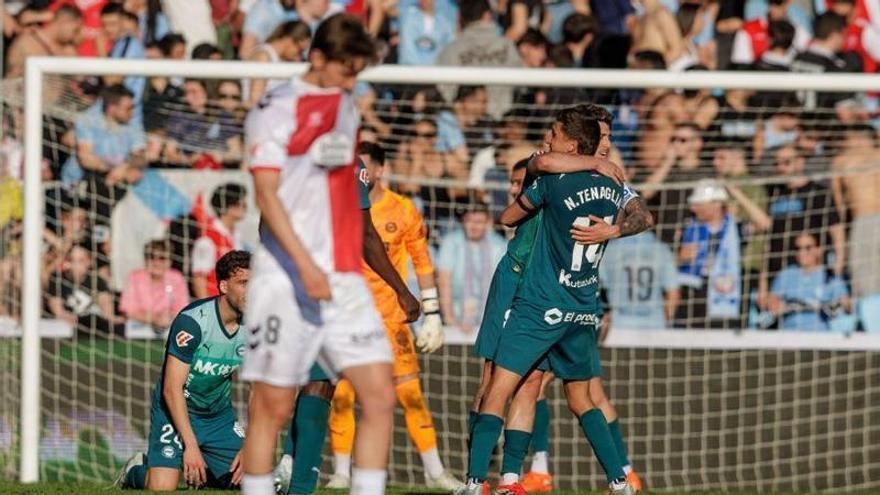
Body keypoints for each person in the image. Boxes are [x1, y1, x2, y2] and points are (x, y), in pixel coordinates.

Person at [239, 15, 415, 495]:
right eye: (347, 70)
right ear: (317, 58)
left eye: (358, 72)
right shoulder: (275, 108)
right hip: (286, 277)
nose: (352, 82)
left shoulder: (346, 104)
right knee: (272, 406)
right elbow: (267, 196)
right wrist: (305, 264)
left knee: (379, 395)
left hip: (342, 278)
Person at [458, 106, 634, 495]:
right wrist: (615, 227)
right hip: (576, 300)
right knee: (543, 387)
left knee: (502, 384)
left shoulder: (556, 180)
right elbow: (642, 215)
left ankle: (477, 481)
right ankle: (610, 479)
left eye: (607, 138)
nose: (606, 146)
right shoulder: (609, 182)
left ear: (572, 141)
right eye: (601, 138)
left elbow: (509, 213)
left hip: (536, 294)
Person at [275, 142, 457, 493]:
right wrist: (408, 294)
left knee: (404, 395)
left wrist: (431, 310)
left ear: (381, 170)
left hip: (385, 317)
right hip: (345, 305)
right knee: (339, 393)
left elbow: (421, 260)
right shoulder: (343, 168)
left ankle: (434, 471)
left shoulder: (402, 209)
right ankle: (337, 472)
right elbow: (365, 236)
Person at [116, 250, 251, 490]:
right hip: (176, 410)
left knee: (254, 480)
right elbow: (171, 388)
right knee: (161, 487)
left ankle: (208, 473)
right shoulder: (193, 322)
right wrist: (190, 445)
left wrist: (251, 445)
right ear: (223, 286)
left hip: (218, 416)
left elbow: (259, 391)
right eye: (243, 283)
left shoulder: (255, 325)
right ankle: (134, 472)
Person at [676, 180, 770, 329]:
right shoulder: (688, 228)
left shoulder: (735, 228)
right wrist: (680, 258)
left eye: (699, 204)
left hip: (725, 293)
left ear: (716, 204)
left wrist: (736, 194)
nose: (693, 209)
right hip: (694, 294)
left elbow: (764, 223)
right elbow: (670, 262)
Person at [436, 202, 506, 333]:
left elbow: (503, 285)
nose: (474, 226)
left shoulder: (499, 245)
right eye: (469, 221)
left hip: (492, 316)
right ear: (463, 221)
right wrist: (451, 321)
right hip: (456, 314)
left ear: (488, 223)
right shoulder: (451, 242)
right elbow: (444, 281)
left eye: (479, 221)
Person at [831, 124, 880, 300]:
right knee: (864, 278)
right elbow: (836, 204)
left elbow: (837, 206)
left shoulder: (843, 161)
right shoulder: (842, 161)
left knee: (865, 277)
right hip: (862, 221)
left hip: (864, 222)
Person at [767, 231, 851, 331]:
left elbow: (848, 305)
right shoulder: (786, 274)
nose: (802, 252)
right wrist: (777, 305)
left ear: (819, 250)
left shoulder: (829, 276)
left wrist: (836, 306)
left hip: (821, 335)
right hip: (790, 334)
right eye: (798, 248)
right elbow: (771, 302)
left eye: (808, 248)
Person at [600, 230, 680, 330]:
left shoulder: (610, 248)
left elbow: (598, 284)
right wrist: (666, 320)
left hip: (619, 322)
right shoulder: (661, 249)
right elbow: (673, 293)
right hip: (654, 323)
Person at [45, 243, 120, 336]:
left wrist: (110, 317)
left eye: (81, 260)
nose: (76, 265)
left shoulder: (97, 281)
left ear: (89, 262)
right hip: (69, 327)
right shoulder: (59, 280)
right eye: (73, 260)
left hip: (95, 326)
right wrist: (65, 316)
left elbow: (107, 308)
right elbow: (58, 310)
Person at [120, 240, 190, 331]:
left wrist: (169, 316)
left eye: (162, 258)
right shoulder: (135, 277)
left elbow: (184, 310)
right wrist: (154, 318)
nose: (156, 262)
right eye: (152, 257)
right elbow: (127, 310)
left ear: (170, 261)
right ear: (145, 260)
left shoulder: (177, 278)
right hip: (138, 329)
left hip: (170, 328)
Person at [191, 183, 246, 299]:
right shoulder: (207, 237)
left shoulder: (236, 235)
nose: (244, 207)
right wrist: (207, 312)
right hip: (215, 303)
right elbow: (199, 278)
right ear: (227, 205)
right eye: (239, 203)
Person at [244, 20, 312, 108]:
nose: (298, 58)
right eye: (300, 50)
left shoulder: (282, 60)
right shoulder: (263, 56)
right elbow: (255, 98)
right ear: (288, 40)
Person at [4, 5, 82, 78]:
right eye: (75, 30)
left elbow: (79, 78)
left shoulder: (68, 50)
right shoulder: (26, 41)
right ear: (64, 21)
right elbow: (12, 77)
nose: (74, 36)